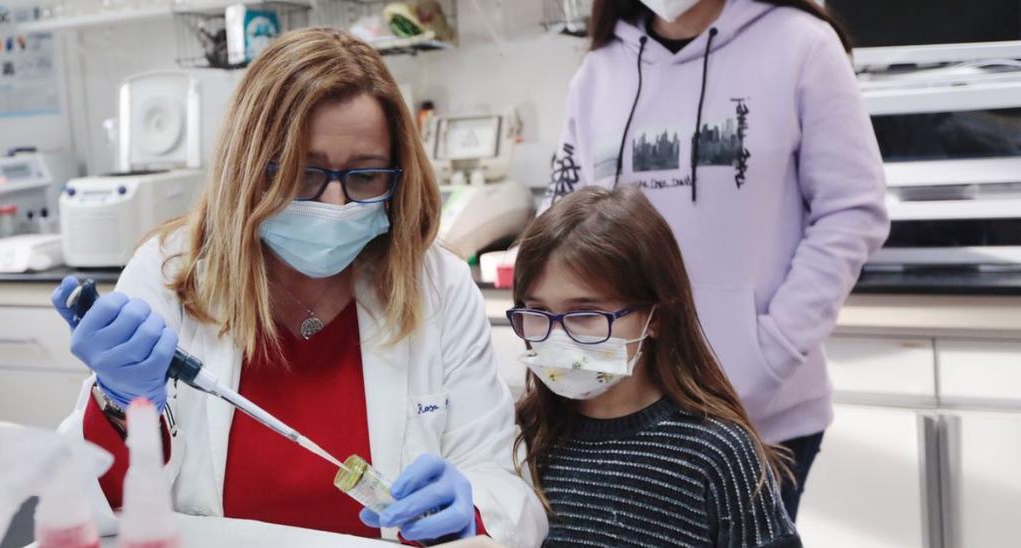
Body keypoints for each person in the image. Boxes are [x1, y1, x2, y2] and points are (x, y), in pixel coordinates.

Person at [50, 27, 546, 546]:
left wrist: (472, 507)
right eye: (303, 175)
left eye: (365, 176)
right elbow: (100, 512)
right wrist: (119, 404)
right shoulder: (172, 274)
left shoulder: (436, 287)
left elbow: (503, 485)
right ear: (247, 170)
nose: (335, 205)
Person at [546, 0, 889, 518]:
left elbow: (852, 212)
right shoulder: (599, 71)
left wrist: (767, 353)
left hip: (760, 417)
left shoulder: (801, 44)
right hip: (623, 414)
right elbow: (565, 228)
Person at [513, 186, 801, 547]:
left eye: (585, 314)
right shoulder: (524, 436)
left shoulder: (716, 452)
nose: (557, 336)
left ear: (656, 316)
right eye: (538, 312)